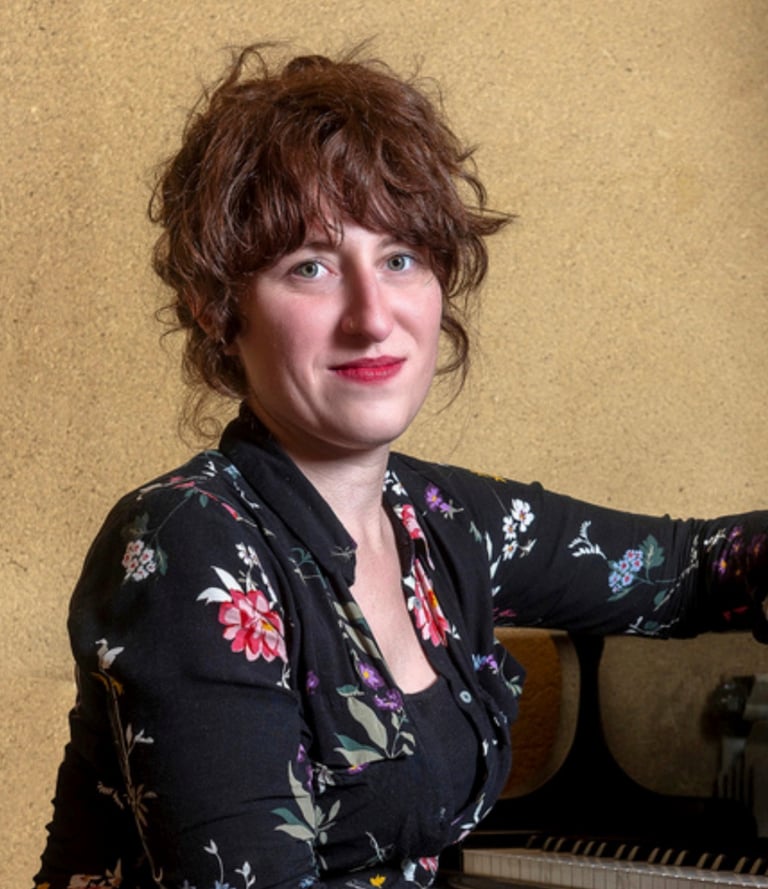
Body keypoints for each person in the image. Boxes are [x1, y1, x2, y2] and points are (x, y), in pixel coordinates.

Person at [34, 44, 768, 889]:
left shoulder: (439, 518)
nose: (373, 316)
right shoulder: (188, 545)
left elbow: (685, 570)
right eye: (310, 266)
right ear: (218, 308)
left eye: (400, 257)